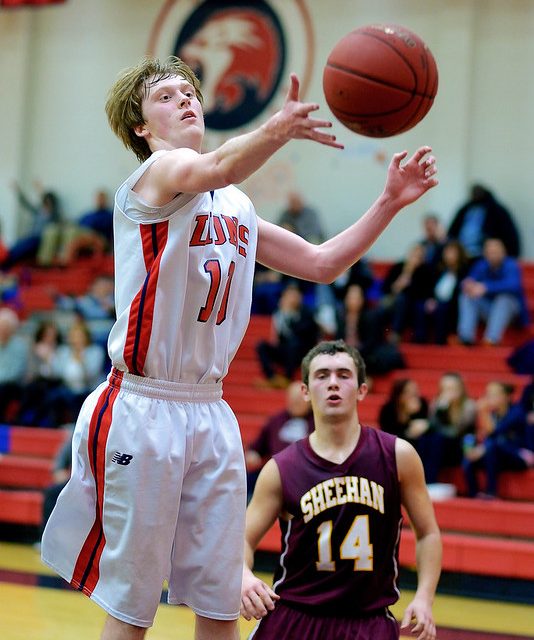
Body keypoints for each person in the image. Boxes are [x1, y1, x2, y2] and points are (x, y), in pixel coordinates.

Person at [40, 55, 437, 640]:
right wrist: (279, 128)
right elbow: (217, 165)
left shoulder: (236, 205)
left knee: (222, 598)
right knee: (135, 603)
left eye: (189, 91)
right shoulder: (156, 176)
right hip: (141, 405)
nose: (184, 99)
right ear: (142, 128)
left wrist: (389, 202)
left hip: (210, 409)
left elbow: (323, 264)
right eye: (166, 96)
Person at [241, 340, 441, 640]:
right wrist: (242, 576)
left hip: (368, 622)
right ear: (305, 391)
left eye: (343, 375)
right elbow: (241, 538)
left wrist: (424, 598)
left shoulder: (398, 456)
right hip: (294, 618)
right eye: (322, 375)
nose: (333, 383)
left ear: (362, 389)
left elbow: (428, 533)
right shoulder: (281, 467)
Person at [462, 381, 534, 498]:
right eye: (488, 394)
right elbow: (473, 435)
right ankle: (473, 493)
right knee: (469, 455)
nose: (489, 398)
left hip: (520, 455)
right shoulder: (493, 414)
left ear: (507, 396)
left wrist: (482, 412)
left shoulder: (517, 412)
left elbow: (496, 432)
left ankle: (491, 492)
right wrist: (469, 449)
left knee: (493, 447)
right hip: (497, 456)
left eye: (494, 394)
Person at [245, 380, 314, 497]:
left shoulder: (318, 422)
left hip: (306, 474)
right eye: (292, 399)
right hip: (276, 473)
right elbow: (256, 448)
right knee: (246, 479)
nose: (295, 402)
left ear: (309, 399)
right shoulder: (276, 420)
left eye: (299, 399)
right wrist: (253, 454)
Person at [456, 238, 529, 346]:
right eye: (489, 252)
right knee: (466, 296)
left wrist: (486, 287)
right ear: (485, 254)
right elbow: (469, 280)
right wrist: (468, 285)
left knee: (504, 298)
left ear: (503, 252)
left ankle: (491, 340)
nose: (492, 255)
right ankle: (465, 338)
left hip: (510, 312)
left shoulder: (511, 265)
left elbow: (513, 285)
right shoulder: (481, 265)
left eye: (495, 252)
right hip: (489, 309)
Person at [255, 283, 319, 389]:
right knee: (261, 345)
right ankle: (272, 377)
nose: (291, 299)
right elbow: (277, 337)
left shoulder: (306, 313)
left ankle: (287, 378)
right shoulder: (279, 313)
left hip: (302, 353)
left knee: (294, 343)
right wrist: (283, 315)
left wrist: (289, 314)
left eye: (294, 295)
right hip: (286, 351)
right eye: (288, 296)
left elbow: (300, 332)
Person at [447, 184, 520, 259]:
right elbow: (452, 232)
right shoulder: (465, 209)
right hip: (462, 253)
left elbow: (509, 235)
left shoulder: (496, 210)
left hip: (483, 254)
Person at [428, 372, 477, 473]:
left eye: (452, 388)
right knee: (428, 439)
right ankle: (428, 481)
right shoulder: (438, 404)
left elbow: (457, 432)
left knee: (438, 439)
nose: (448, 392)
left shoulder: (469, 406)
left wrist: (443, 410)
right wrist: (441, 409)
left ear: (460, 389)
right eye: (445, 388)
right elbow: (432, 426)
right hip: (443, 447)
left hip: (462, 447)